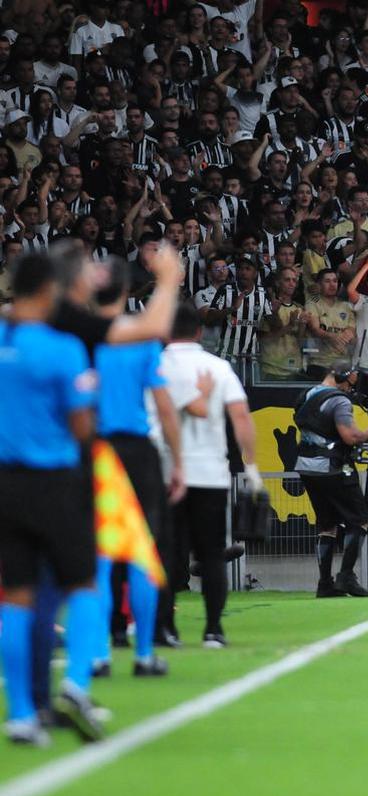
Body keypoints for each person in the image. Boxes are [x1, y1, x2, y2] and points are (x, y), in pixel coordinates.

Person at [0, 253, 106, 746]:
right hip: (56, 480)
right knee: (83, 582)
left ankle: (22, 713)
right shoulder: (64, 350)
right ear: (47, 292)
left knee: (17, 596)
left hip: (7, 484)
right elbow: (82, 426)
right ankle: (76, 686)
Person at [91, 259, 183, 679]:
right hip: (137, 450)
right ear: (127, 293)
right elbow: (164, 407)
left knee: (99, 554)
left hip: (93, 449)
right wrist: (177, 462)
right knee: (143, 550)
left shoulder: (76, 335)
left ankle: (99, 652)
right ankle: (145, 653)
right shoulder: (140, 340)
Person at [159, 304, 262, 648]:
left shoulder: (155, 365)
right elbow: (241, 417)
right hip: (210, 473)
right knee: (212, 554)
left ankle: (166, 628)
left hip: (165, 472)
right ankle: (214, 629)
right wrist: (250, 463)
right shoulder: (217, 367)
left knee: (165, 554)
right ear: (199, 332)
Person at [294, 363, 368, 598]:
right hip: (333, 467)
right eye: (350, 382)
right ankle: (346, 576)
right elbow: (350, 436)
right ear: (342, 378)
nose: (350, 388)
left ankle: (325, 583)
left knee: (327, 524)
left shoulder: (307, 395)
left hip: (306, 466)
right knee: (360, 518)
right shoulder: (339, 401)